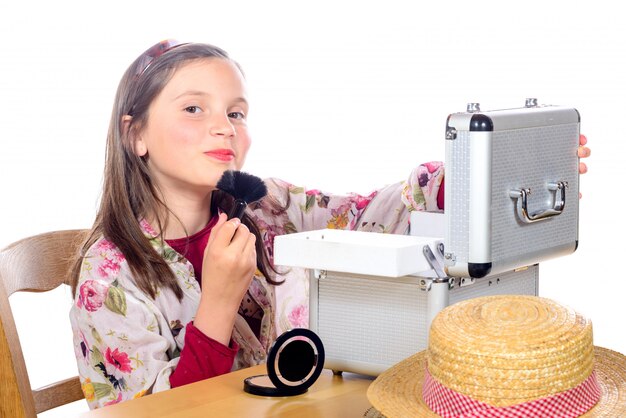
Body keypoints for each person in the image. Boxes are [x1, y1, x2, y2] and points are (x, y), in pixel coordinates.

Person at [69, 40, 591, 409]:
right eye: (192, 108)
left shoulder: (262, 205)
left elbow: (363, 214)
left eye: (237, 112)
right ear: (134, 134)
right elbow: (146, 412)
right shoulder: (108, 278)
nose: (222, 127)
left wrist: (479, 179)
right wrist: (219, 305)